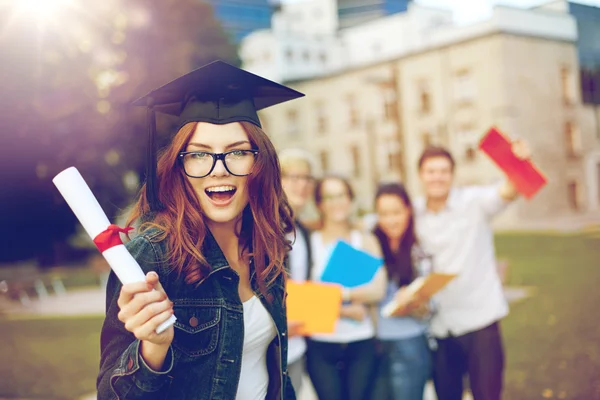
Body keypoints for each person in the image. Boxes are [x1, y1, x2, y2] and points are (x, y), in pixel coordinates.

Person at [96, 61, 304, 400]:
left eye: (237, 152)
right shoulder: (152, 256)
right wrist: (153, 348)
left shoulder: (265, 245)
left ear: (259, 162)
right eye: (199, 154)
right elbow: (111, 395)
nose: (218, 170)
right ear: (179, 165)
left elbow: (271, 368)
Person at [413, 143, 530, 400]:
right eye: (431, 171)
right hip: (441, 326)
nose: (437, 177)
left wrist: (518, 161)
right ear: (420, 175)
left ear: (452, 175)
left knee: (487, 395)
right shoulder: (414, 213)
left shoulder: (474, 202)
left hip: (481, 321)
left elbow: (511, 189)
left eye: (444, 171)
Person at [305, 175, 387, 400]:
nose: (336, 202)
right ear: (320, 204)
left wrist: (335, 295)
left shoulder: (366, 240)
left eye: (341, 195)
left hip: (362, 341)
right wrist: (346, 308)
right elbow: (300, 297)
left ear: (350, 200)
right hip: (321, 344)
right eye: (328, 197)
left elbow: (378, 290)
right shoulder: (310, 242)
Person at [372, 182, 432, 400]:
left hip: (409, 344)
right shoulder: (370, 244)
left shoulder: (419, 251)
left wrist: (414, 303)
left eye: (396, 212)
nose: (390, 220)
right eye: (383, 213)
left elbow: (429, 310)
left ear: (408, 210)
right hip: (373, 345)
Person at [279, 148, 317, 393]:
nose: (301, 185)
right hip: (272, 349)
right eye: (293, 177)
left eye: (306, 178)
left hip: (298, 348)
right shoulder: (264, 231)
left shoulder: (302, 231)